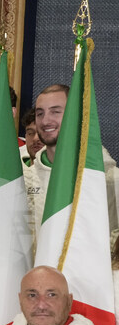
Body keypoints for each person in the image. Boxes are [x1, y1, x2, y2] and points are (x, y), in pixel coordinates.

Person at [27, 83, 119, 240]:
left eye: (55, 112)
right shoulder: (25, 178)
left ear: (76, 115)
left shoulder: (109, 179)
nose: (45, 121)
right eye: (40, 113)